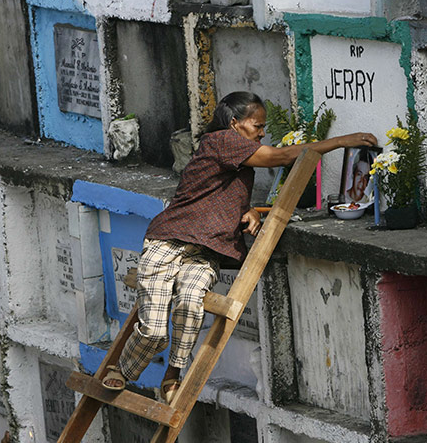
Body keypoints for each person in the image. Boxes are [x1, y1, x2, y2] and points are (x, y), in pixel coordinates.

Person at [102, 91, 377, 401]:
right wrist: (343, 140)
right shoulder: (221, 140)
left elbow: (218, 194)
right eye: (257, 126)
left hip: (205, 251)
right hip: (170, 241)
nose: (261, 133)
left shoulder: (237, 158)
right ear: (234, 124)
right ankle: (122, 371)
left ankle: (173, 372)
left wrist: (246, 211)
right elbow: (279, 157)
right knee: (153, 331)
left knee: (190, 307)